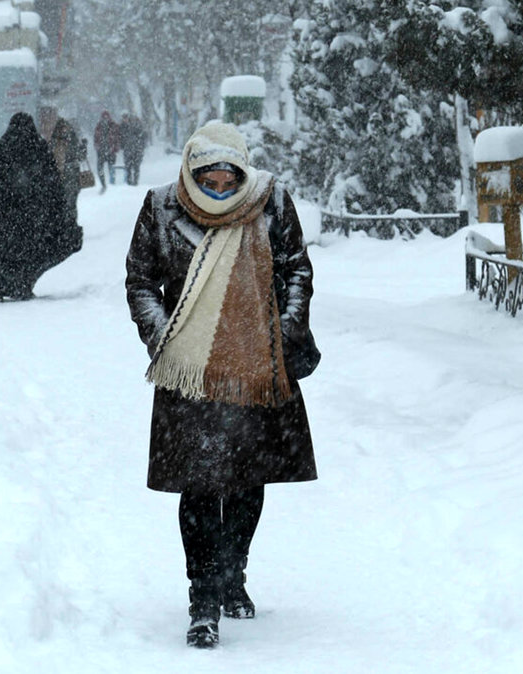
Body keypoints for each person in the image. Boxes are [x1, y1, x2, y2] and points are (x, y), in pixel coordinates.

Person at [124, 121, 320, 649]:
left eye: (226, 180)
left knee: (245, 479)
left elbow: (297, 269)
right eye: (207, 179)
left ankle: (234, 574)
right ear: (189, 170)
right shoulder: (162, 207)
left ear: (243, 172)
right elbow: (140, 280)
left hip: (255, 369)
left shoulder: (270, 201)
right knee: (198, 485)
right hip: (189, 374)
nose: (217, 189)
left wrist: (282, 332)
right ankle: (203, 600)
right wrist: (164, 338)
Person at [0, 112, 82, 302]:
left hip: (2, 223)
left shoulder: (1, 151)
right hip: (31, 223)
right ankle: (19, 283)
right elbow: (53, 188)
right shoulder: (39, 150)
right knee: (30, 253)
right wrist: (54, 216)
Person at [118, 113, 148, 185]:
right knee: (131, 167)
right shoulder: (124, 127)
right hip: (131, 150)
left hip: (134, 150)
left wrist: (141, 146)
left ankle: (133, 182)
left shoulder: (133, 127)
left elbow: (143, 137)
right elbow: (121, 138)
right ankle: (131, 182)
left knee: (134, 167)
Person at [93, 110, 119, 192]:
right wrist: (97, 147)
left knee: (111, 168)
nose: (105, 118)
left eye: (106, 117)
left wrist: (115, 147)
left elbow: (117, 137)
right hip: (101, 151)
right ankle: (104, 185)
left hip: (111, 151)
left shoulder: (113, 125)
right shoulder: (99, 126)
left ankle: (112, 184)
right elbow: (95, 138)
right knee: (100, 169)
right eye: (104, 117)